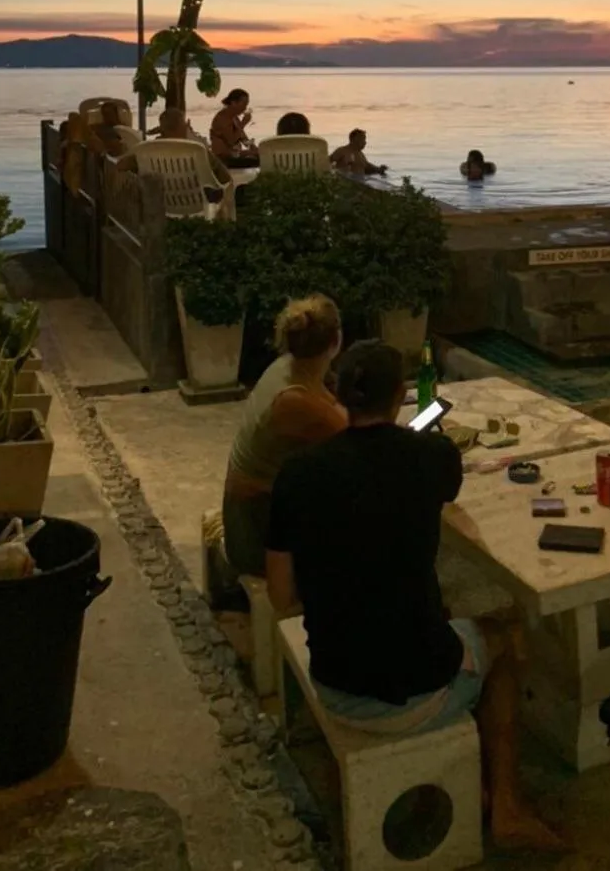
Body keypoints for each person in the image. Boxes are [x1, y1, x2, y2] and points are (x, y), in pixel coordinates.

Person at [266, 340, 564, 852]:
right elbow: (435, 483)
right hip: (412, 693)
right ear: (401, 394)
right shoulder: (430, 457)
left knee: (430, 608)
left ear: (338, 395)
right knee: (503, 635)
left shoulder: (296, 475)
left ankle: (475, 779)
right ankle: (507, 805)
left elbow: (281, 597)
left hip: (335, 681)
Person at [222, 296, 346, 578]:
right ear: (336, 341)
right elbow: (356, 434)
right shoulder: (295, 401)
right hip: (255, 532)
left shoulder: (287, 367)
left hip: (254, 510)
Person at [211, 89, 258, 168]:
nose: (245, 108)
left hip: (234, 155)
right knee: (257, 161)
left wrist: (254, 148)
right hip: (224, 159)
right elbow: (231, 141)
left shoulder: (234, 117)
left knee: (262, 156)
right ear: (233, 103)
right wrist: (243, 123)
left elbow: (242, 137)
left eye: (246, 105)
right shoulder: (222, 118)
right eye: (243, 104)